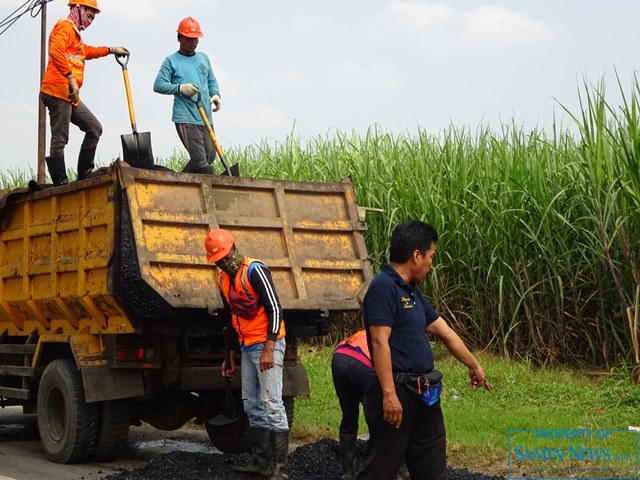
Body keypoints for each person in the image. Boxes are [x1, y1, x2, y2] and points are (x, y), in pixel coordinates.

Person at [357, 220, 492, 480]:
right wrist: (389, 394)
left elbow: (446, 333)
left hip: (425, 394)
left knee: (432, 470)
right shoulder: (384, 288)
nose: (432, 263)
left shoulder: (413, 294)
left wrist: (474, 365)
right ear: (416, 256)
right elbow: (379, 342)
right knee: (380, 470)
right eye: (431, 256)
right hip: (397, 393)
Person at [204, 229, 289, 480]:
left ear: (234, 249)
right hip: (246, 346)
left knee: (272, 404)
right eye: (218, 260)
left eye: (226, 256)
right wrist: (229, 355)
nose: (223, 262)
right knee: (251, 404)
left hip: (266, 345)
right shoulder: (223, 279)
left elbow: (275, 308)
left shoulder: (255, 270)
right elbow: (231, 320)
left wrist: (270, 348)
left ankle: (281, 469)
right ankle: (262, 462)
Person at [40, 0, 129, 186]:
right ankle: (60, 182)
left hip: (69, 94)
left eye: (93, 18)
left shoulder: (75, 34)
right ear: (78, 10)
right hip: (57, 89)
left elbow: (86, 52)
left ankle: (84, 173)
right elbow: (55, 51)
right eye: (89, 16)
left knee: (94, 128)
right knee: (60, 137)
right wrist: (70, 78)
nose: (90, 21)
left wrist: (111, 50)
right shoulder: (65, 27)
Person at [332, 331, 409, 480]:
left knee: (349, 417)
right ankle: (398, 472)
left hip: (340, 357)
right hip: (363, 364)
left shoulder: (374, 328)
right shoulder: (397, 339)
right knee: (383, 421)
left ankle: (348, 473)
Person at [153, 17, 221, 175]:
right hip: (186, 117)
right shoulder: (171, 61)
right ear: (179, 38)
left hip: (206, 116)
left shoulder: (203, 58)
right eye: (190, 39)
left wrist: (216, 94)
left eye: (196, 38)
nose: (194, 42)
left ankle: (178, 180)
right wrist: (179, 88)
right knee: (201, 164)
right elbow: (158, 85)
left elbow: (211, 80)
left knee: (209, 157)